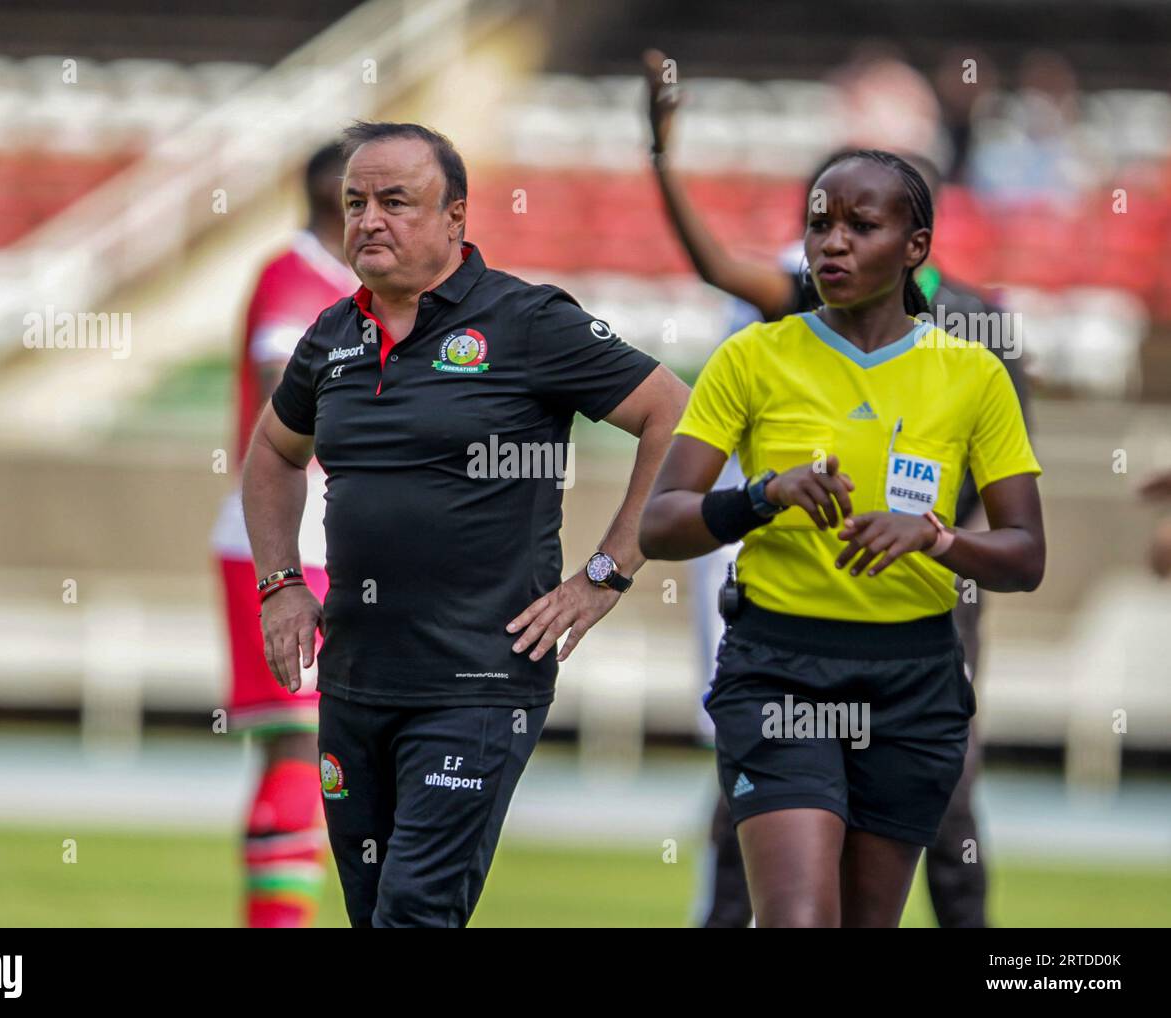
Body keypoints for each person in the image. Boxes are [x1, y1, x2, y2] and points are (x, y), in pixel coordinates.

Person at [241, 121, 688, 927]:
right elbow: (271, 453)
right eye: (355, 202)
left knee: (415, 911)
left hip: (479, 681)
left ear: (456, 217)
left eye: (395, 201)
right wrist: (279, 583)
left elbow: (674, 414)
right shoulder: (332, 337)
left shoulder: (528, 322)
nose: (369, 219)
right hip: (354, 677)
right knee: (375, 910)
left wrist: (605, 575)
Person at [643, 49, 1032, 927]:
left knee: (953, 810)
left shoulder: (977, 339)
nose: (832, 242)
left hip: (926, 630)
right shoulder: (779, 328)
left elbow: (1020, 534)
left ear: (916, 237)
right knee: (773, 867)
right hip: (779, 653)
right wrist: (664, 155)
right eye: (822, 223)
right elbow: (715, 269)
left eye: (864, 223)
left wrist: (930, 538)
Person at [210, 140, 355, 927]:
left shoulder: (340, 287)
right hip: (284, 544)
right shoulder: (292, 281)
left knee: (324, 754)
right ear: (344, 198)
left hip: (329, 545)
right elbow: (284, 415)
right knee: (302, 748)